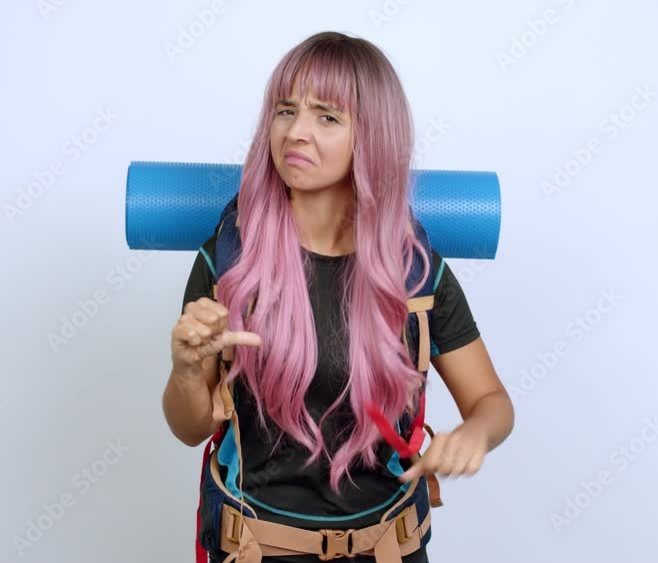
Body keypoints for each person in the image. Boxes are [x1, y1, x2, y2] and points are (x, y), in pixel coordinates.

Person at [163, 31, 514, 563]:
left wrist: (476, 434)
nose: (295, 132)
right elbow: (190, 430)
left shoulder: (415, 274)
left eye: (327, 117)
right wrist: (187, 371)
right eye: (285, 110)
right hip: (259, 548)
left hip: (390, 547)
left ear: (372, 138)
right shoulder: (229, 263)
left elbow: (492, 402)